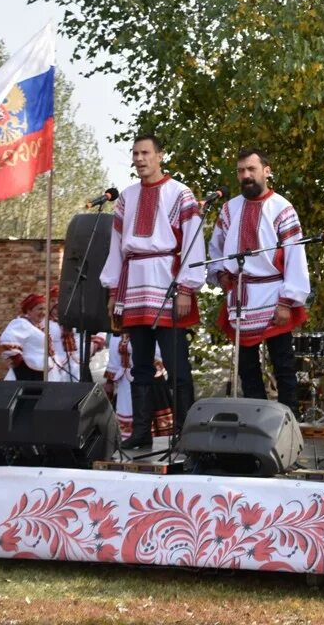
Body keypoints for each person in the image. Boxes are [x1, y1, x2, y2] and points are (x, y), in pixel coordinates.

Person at [99, 133, 206, 448]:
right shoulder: (127, 197)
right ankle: (142, 432)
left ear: (160, 156)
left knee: (176, 364)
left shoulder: (180, 194)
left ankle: (185, 433)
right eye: (135, 153)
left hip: (167, 283)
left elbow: (192, 244)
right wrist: (112, 292)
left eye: (146, 152)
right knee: (139, 363)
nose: (140, 158)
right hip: (133, 286)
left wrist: (187, 287)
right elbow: (116, 247)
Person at [207, 148, 310, 414]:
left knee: (284, 365)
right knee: (247, 367)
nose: (246, 176)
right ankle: (255, 422)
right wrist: (220, 274)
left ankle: (289, 425)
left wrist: (288, 301)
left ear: (267, 170)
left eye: (251, 169)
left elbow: (295, 255)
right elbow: (215, 248)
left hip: (274, 293)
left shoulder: (282, 208)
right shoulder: (229, 209)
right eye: (241, 171)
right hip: (241, 296)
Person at [103, 332, 174, 440]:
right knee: (125, 412)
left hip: (148, 379)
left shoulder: (147, 330)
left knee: (148, 410)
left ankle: (151, 442)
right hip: (125, 383)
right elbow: (114, 358)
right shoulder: (118, 335)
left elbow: (158, 355)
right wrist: (109, 381)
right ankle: (127, 441)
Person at [0, 293, 69, 381]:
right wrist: (20, 364)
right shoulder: (22, 323)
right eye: (40, 309)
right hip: (30, 372)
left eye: (45, 309)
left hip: (43, 371)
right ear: (29, 311)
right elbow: (7, 340)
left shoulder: (40, 326)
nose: (43, 312)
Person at [48, 285, 82, 382]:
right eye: (52, 300)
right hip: (57, 366)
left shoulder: (74, 320)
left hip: (75, 364)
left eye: (59, 300)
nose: (56, 303)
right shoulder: (45, 323)